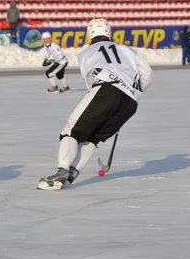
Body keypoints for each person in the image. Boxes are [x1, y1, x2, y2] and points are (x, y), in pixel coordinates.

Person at [37, 18, 152, 190]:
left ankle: (62, 170)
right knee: (94, 137)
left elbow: (90, 81)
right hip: (131, 102)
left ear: (90, 34)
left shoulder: (86, 53)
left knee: (72, 130)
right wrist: (130, 92)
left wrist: (108, 102)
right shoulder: (126, 49)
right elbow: (148, 74)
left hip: (105, 90)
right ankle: (72, 172)